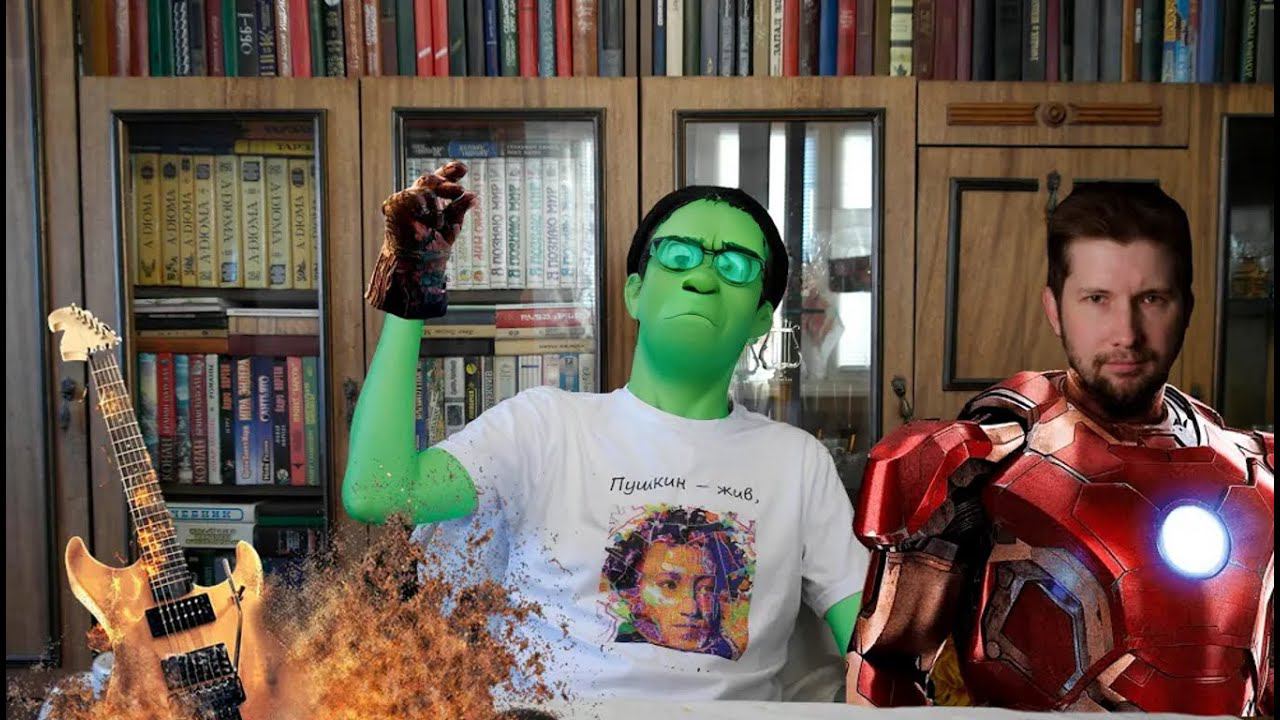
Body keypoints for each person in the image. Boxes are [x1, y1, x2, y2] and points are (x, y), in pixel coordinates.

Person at [343, 164, 868, 700]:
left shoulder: (798, 463)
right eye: (678, 255)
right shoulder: (544, 427)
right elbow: (379, 492)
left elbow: (874, 646)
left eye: (735, 266)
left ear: (761, 318)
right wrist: (412, 286)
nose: (703, 278)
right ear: (635, 293)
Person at [846, 183, 1274, 714]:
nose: (1126, 333)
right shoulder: (979, 461)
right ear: (1055, 309)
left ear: (1185, 308)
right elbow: (883, 674)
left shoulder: (1257, 470)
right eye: (1097, 300)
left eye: (1152, 299)